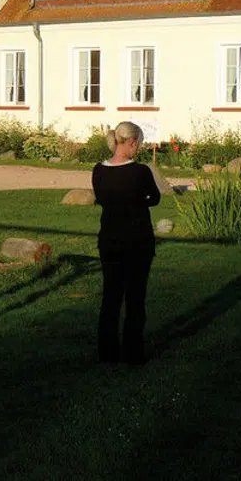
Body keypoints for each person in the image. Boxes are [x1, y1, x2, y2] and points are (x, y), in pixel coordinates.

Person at [91, 121, 161, 365]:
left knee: (110, 296)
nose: (138, 149)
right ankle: (132, 353)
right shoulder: (140, 172)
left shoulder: (98, 170)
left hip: (109, 239)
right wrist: (137, 200)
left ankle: (107, 353)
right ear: (132, 142)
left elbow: (101, 197)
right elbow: (155, 198)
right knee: (135, 298)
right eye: (138, 144)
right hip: (137, 240)